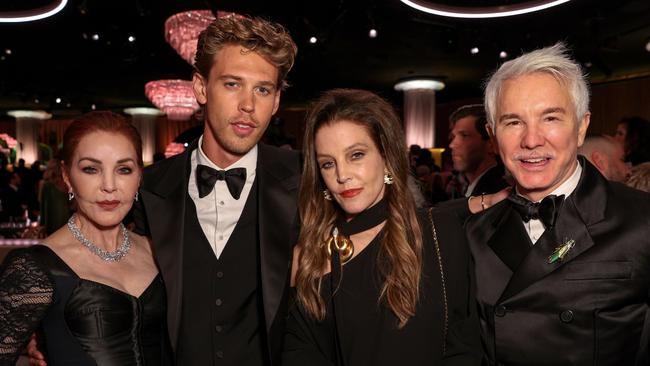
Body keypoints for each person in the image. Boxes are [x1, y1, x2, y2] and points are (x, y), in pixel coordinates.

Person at [467, 42, 650, 365]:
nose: (532, 140)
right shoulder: (472, 235)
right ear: (493, 136)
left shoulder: (641, 220)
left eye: (550, 118)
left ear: (581, 127)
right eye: (513, 122)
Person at [131, 15, 299, 366]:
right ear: (201, 88)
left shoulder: (306, 181)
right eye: (232, 84)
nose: (248, 106)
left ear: (277, 101)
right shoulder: (149, 188)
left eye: (263, 89)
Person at [283, 89, 483, 366]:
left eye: (356, 155)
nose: (342, 175)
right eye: (328, 163)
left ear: (387, 156)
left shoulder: (439, 232)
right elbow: (298, 354)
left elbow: (464, 346)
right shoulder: (308, 255)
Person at [0, 111, 173, 365]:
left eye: (124, 169)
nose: (109, 185)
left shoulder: (160, 251)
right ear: (67, 176)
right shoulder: (34, 268)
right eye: (91, 169)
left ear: (139, 177)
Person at [448, 104, 509, 197]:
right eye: (453, 137)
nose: (452, 145)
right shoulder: (473, 188)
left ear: (491, 144)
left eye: (464, 135)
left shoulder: (496, 194)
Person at [39, 159, 72, 235]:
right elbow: (43, 206)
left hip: (65, 220)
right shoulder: (47, 186)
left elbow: (43, 206)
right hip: (55, 221)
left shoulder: (68, 184)